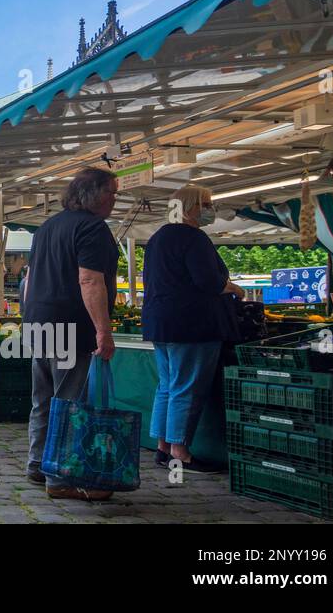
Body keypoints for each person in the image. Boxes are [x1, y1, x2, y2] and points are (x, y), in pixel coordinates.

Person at [23, 167, 120, 501]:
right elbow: (90, 280)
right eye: (111, 192)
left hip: (39, 322)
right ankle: (59, 478)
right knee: (68, 402)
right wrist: (103, 331)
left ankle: (38, 464)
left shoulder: (47, 227)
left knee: (44, 400)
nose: (114, 199)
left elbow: (31, 279)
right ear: (92, 194)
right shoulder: (92, 228)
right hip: (69, 325)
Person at [143, 184, 243, 471]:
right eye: (206, 204)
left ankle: (162, 447)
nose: (210, 209)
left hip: (161, 323)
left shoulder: (158, 238)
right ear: (190, 207)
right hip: (191, 324)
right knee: (186, 387)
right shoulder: (193, 238)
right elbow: (207, 282)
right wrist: (233, 288)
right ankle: (180, 451)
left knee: (167, 386)